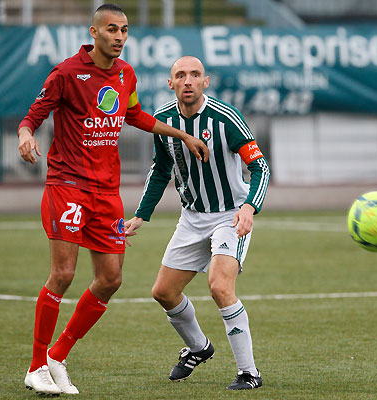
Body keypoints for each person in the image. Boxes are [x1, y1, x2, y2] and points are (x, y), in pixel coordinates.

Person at [17, 5, 208, 396]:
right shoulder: (67, 74)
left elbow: (135, 115)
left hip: (107, 193)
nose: (119, 36)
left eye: (124, 30)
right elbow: (33, 115)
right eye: (111, 29)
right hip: (68, 185)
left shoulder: (126, 75)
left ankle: (59, 355)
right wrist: (25, 134)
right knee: (64, 275)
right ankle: (36, 366)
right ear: (94, 32)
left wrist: (182, 135)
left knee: (110, 279)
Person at [124, 56, 270, 390]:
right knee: (164, 292)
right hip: (191, 218)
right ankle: (199, 347)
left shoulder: (226, 118)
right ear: (170, 83)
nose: (187, 80)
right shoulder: (162, 121)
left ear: (206, 81)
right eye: (180, 75)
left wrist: (249, 208)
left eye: (195, 75)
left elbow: (261, 167)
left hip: (229, 215)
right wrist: (140, 215)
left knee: (220, 286)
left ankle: (249, 372)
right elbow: (161, 170)